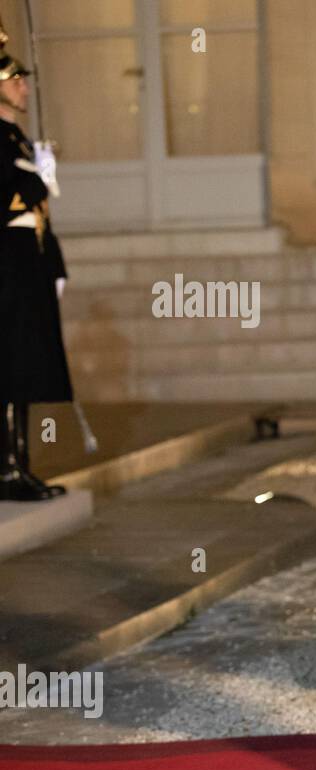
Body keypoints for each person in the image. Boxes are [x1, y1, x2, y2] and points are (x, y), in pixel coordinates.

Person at [0, 19, 72, 501]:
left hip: (27, 264)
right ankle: (7, 470)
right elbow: (12, 194)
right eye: (15, 79)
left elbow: (39, 210)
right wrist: (38, 179)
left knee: (22, 370)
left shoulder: (16, 140)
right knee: (8, 369)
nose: (24, 87)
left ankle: (19, 464)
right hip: (5, 265)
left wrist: (55, 264)